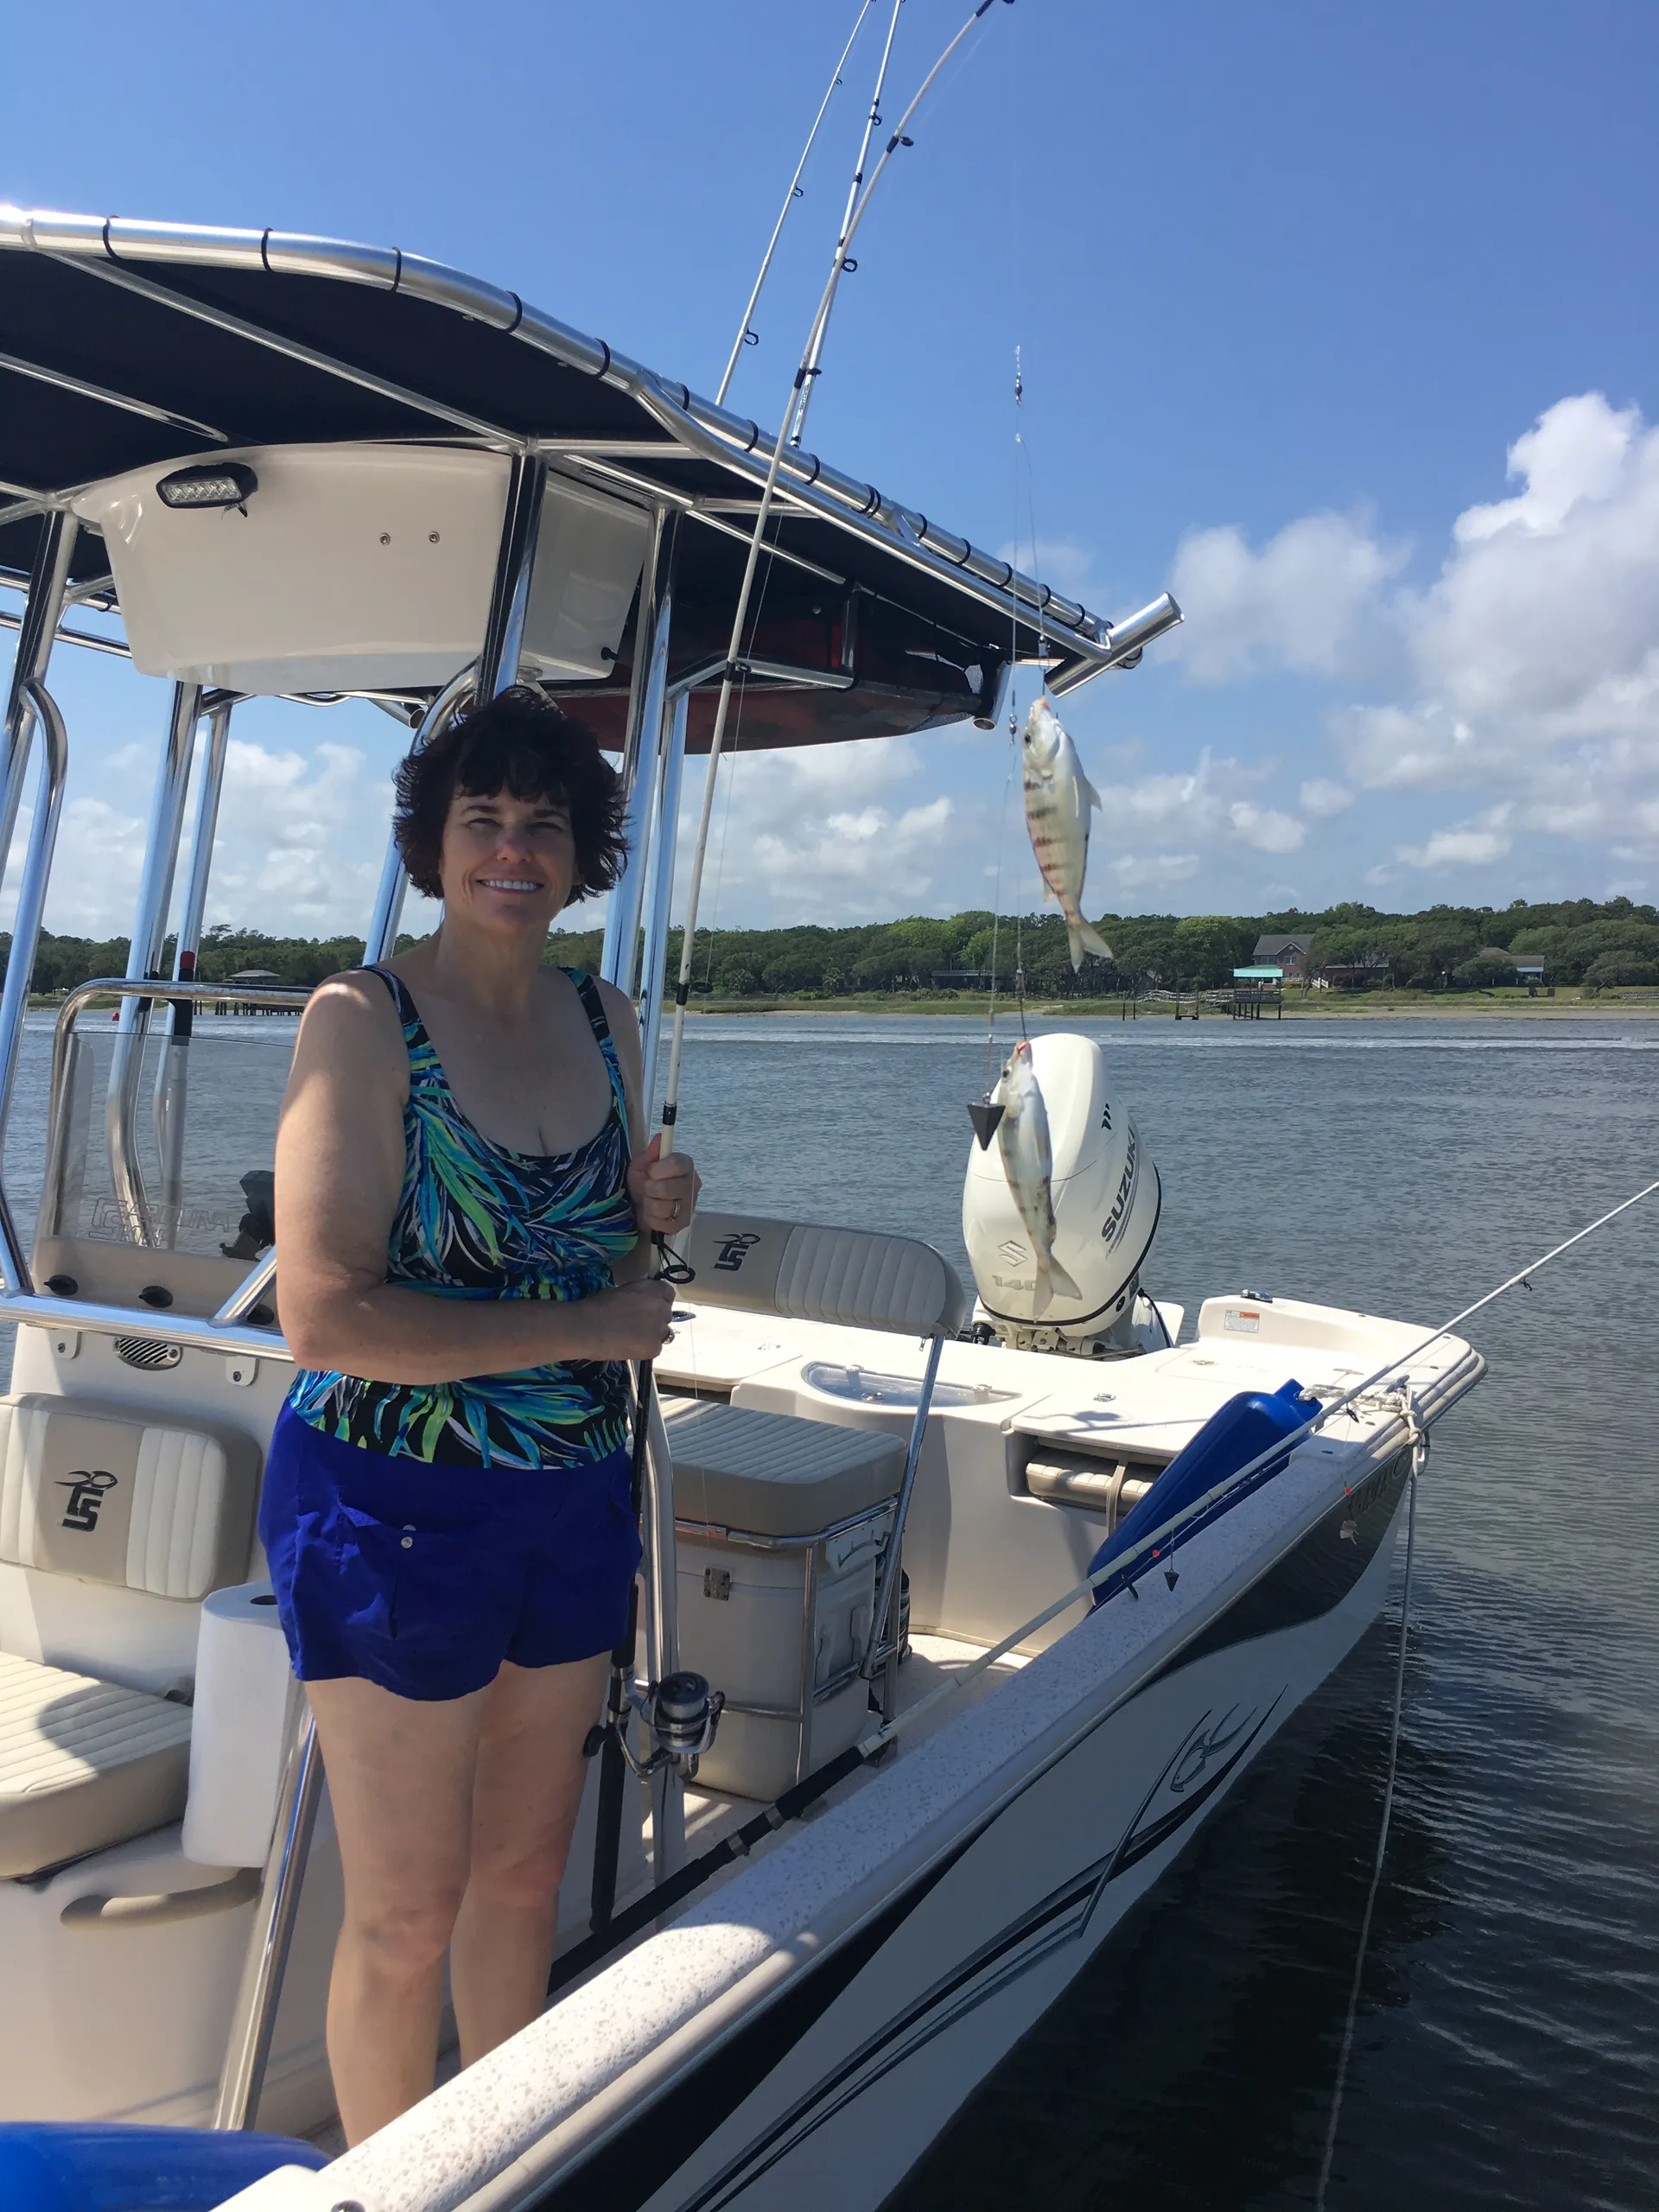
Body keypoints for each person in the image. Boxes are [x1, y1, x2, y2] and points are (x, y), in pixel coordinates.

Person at [264, 685, 696, 2145]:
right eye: (482, 821)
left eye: (545, 825)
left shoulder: (602, 1013)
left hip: (569, 1496)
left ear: (584, 860)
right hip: (394, 1506)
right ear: (431, 847)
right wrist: (588, 1319)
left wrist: (652, 1219)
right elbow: (323, 1314)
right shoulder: (363, 1021)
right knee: (404, 1910)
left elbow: (628, 1271)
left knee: (521, 1880)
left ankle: (504, 2167)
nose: (513, 849)